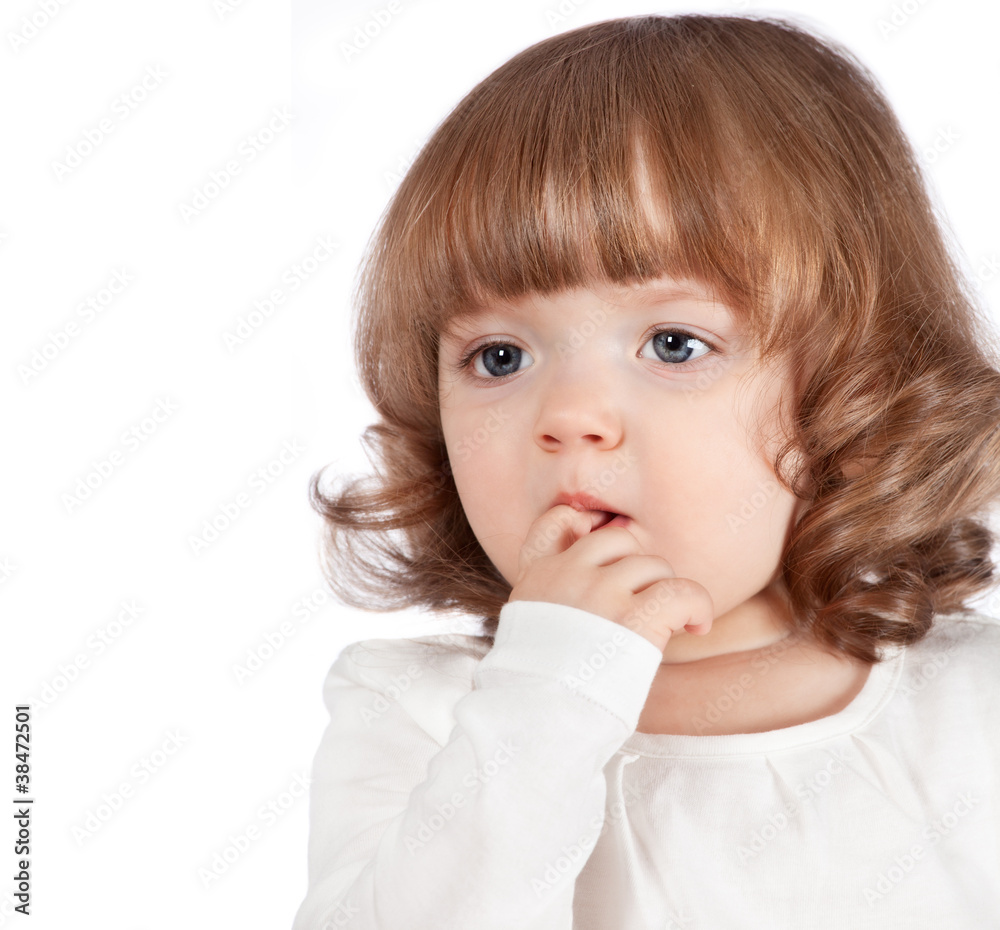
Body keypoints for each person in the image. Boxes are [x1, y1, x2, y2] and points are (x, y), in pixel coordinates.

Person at [292, 13, 1000, 928]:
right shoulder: (421, 713)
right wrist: (547, 696)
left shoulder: (974, 709)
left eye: (673, 343)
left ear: (859, 389)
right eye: (499, 357)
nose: (568, 418)